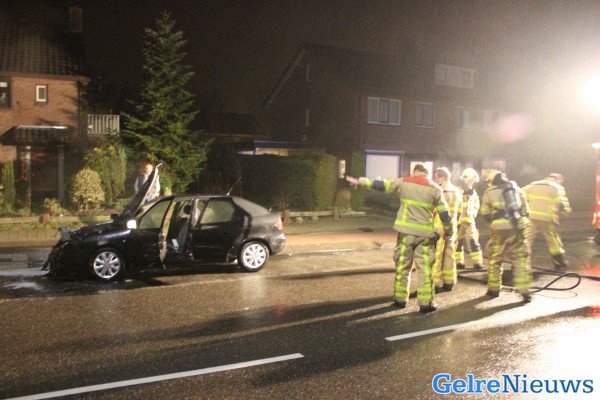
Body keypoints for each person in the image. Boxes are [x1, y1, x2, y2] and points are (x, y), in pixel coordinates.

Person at [346, 164, 453, 313]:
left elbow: (382, 185)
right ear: (427, 174)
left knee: (403, 266)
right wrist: (448, 231)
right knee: (425, 269)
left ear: (415, 172)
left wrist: (360, 181)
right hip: (424, 236)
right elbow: (444, 214)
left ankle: (400, 299)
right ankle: (426, 303)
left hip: (405, 234)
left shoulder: (404, 182)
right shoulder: (436, 189)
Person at [480, 170, 532, 302]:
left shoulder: (489, 192)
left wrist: (492, 224)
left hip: (498, 230)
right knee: (520, 259)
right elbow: (526, 211)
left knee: (495, 258)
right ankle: (525, 290)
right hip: (516, 228)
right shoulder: (517, 189)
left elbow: (485, 213)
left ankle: (494, 289)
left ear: (491, 180)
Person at [523, 173, 571, 269]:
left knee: (526, 239)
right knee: (552, 240)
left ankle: (521, 263)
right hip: (546, 218)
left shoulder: (532, 185)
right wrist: (566, 210)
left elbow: (521, 195)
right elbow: (562, 203)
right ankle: (560, 261)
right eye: (561, 181)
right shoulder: (556, 187)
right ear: (557, 179)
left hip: (531, 217)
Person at [432, 167, 462, 292]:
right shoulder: (457, 191)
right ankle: (449, 281)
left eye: (436, 177)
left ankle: (436, 283)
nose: (434, 180)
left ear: (442, 178)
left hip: (439, 228)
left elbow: (433, 211)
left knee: (436, 256)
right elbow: (460, 211)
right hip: (452, 227)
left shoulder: (439, 191)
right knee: (450, 254)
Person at [455, 168, 484, 270]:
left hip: (469, 221)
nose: (473, 183)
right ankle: (458, 262)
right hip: (459, 221)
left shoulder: (473, 192)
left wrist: (473, 214)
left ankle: (477, 263)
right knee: (458, 243)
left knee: (473, 242)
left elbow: (476, 205)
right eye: (472, 181)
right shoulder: (457, 191)